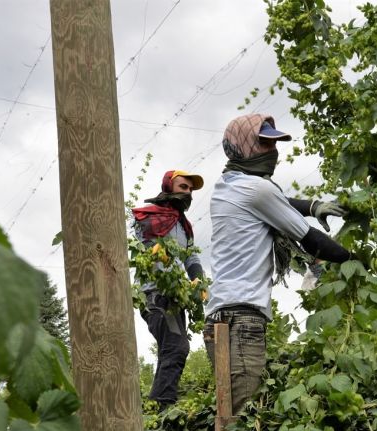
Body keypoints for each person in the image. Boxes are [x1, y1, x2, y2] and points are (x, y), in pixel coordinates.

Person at [203, 113, 352, 414]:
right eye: (264, 144)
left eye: (274, 145)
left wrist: (312, 206)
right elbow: (312, 240)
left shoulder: (228, 185)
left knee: (227, 410)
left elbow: (276, 199)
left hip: (218, 316)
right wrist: (355, 261)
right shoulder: (258, 190)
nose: (273, 153)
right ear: (242, 147)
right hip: (242, 319)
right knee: (241, 415)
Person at [131, 170, 205, 409]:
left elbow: (191, 257)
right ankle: (163, 407)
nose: (188, 193)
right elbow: (142, 243)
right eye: (183, 187)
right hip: (153, 294)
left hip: (175, 296)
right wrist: (155, 250)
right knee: (176, 347)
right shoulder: (147, 216)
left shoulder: (184, 227)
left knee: (171, 349)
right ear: (168, 186)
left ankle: (156, 408)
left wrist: (198, 282)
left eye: (190, 190)